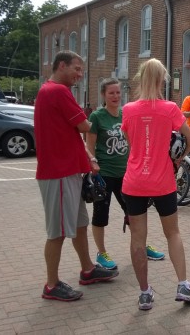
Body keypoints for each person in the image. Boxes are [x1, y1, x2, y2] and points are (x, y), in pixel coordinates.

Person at [35, 50, 119, 302]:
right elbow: (85, 126)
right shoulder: (58, 91)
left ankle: (88, 269)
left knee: (80, 224)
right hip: (58, 173)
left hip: (68, 171)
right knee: (58, 231)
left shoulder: (49, 90)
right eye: (77, 69)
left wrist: (89, 158)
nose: (80, 75)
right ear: (61, 66)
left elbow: (72, 133)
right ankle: (51, 284)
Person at [121, 58, 190, 310]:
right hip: (163, 180)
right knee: (172, 233)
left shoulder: (128, 109)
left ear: (140, 78)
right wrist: (177, 161)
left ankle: (144, 293)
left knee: (137, 239)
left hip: (134, 181)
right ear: (161, 79)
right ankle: (183, 285)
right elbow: (189, 141)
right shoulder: (170, 109)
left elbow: (130, 142)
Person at [85, 78, 165, 271]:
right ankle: (101, 253)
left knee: (135, 213)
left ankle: (141, 246)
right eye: (111, 93)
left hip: (127, 173)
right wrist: (92, 165)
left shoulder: (126, 113)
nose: (115, 96)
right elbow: (90, 145)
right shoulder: (97, 117)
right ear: (104, 95)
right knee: (100, 215)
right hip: (104, 174)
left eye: (118, 93)